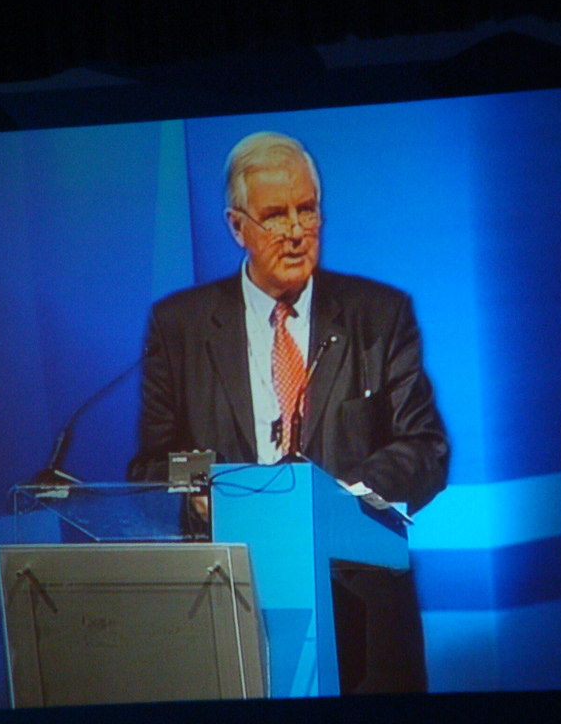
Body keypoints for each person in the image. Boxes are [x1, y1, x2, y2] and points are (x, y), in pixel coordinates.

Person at [128, 131, 449, 693]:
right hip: (230, 603)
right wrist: (210, 500)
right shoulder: (179, 327)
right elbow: (150, 470)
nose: (298, 231)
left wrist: (332, 501)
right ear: (237, 227)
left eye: (308, 209)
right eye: (276, 216)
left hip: (361, 611)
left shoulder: (379, 315)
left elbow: (425, 449)